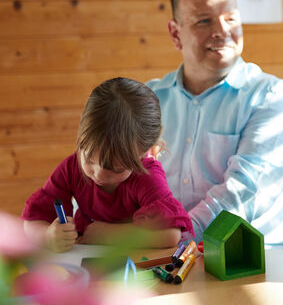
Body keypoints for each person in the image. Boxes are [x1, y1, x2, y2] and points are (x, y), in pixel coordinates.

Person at [148, 0, 283, 249]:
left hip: (252, 261)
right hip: (163, 256)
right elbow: (113, 173)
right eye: (204, 21)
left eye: (231, 18)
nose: (222, 31)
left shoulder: (270, 96)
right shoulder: (148, 100)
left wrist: (175, 237)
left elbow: (243, 193)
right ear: (176, 34)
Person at [22, 77, 193, 252]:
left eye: (116, 169)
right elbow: (31, 221)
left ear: (143, 154)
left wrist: (106, 234)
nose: (98, 174)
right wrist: (48, 236)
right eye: (88, 159)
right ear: (81, 139)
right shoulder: (71, 167)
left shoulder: (146, 176)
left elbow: (170, 234)